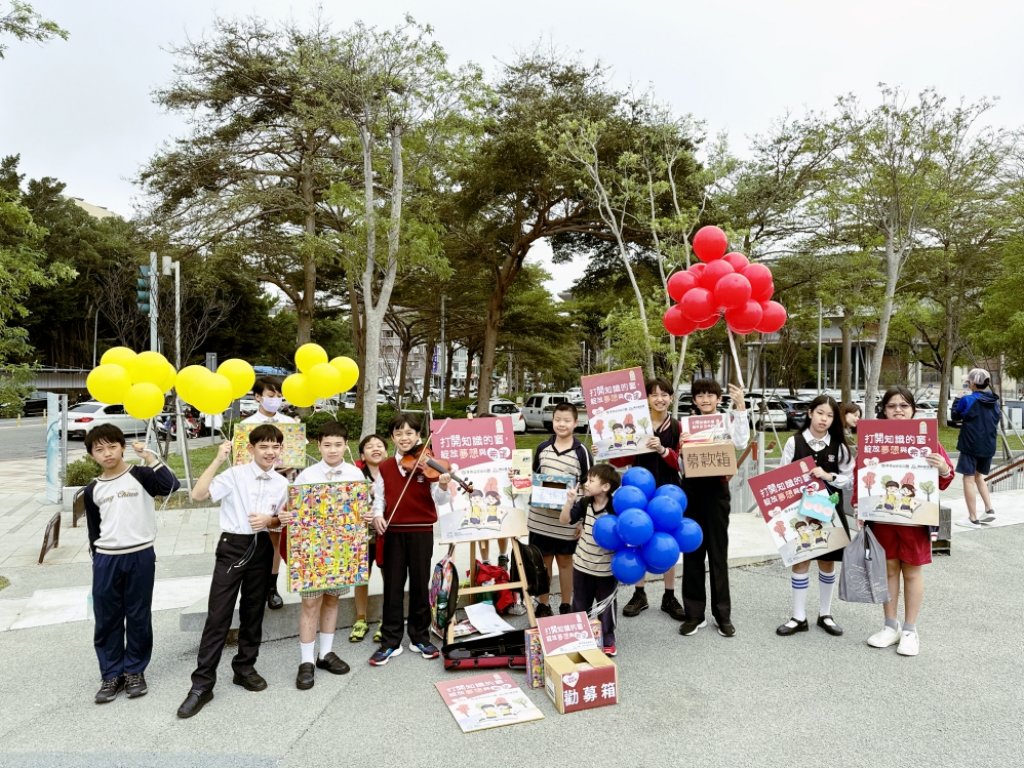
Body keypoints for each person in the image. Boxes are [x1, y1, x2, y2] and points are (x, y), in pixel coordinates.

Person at [177, 425, 288, 718]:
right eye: (263, 446)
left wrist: (271, 519)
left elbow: (282, 520)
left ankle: (245, 668)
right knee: (219, 614)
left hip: (262, 546)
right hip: (233, 546)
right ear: (250, 449)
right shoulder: (234, 475)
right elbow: (198, 495)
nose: (270, 452)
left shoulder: (281, 483)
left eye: (275, 447)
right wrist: (216, 459)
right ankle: (202, 684)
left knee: (254, 611)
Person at [84, 425, 180, 704]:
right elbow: (94, 531)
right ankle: (111, 674)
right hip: (106, 559)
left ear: (121, 447)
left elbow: (170, 486)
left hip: (140, 555)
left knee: (138, 615)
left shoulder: (140, 475)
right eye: (99, 449)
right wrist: (98, 560)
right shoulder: (93, 489)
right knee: (107, 618)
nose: (107, 453)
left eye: (111, 446)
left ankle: (135, 670)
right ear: (92, 455)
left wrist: (149, 457)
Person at [860, 387, 954, 657]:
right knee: (888, 570)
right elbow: (861, 473)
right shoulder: (874, 440)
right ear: (884, 410)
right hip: (883, 519)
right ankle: (891, 626)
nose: (898, 410)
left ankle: (911, 630)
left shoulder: (927, 441)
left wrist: (943, 468)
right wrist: (860, 506)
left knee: (912, 571)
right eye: (891, 406)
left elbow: (946, 480)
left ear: (913, 409)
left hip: (915, 520)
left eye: (903, 405)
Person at [279, 421, 361, 689]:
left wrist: (367, 516)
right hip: (312, 552)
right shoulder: (307, 476)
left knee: (333, 601)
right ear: (319, 445)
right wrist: (287, 514)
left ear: (345, 445)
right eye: (327, 445)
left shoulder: (355, 475)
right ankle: (306, 661)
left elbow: (361, 510)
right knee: (310, 605)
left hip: (341, 552)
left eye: (338, 445)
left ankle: (325, 653)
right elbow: (289, 506)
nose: (333, 450)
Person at [369, 413, 451, 666]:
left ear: (419, 436)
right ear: (392, 437)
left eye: (409, 433)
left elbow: (441, 500)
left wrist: (445, 485)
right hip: (393, 531)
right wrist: (377, 516)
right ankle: (390, 641)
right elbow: (380, 497)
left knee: (419, 584)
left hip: (421, 531)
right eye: (399, 433)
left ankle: (419, 637)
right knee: (392, 586)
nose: (404, 438)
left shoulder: (429, 464)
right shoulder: (384, 466)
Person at [775, 396, 853, 638]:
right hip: (799, 512)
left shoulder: (839, 446)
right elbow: (781, 477)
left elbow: (847, 479)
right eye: (820, 413)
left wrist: (828, 476)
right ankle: (798, 616)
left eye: (829, 416)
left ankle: (825, 614)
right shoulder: (794, 442)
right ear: (810, 413)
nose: (824, 419)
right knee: (801, 560)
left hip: (829, 511)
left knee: (827, 563)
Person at [678, 379, 748, 638]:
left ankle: (723, 614)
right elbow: (679, 465)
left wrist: (740, 407)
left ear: (718, 398)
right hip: (692, 492)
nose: (705, 399)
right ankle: (694, 614)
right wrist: (682, 446)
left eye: (710, 395)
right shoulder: (685, 426)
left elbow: (741, 441)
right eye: (700, 395)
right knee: (693, 551)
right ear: (694, 400)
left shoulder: (727, 422)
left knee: (718, 553)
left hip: (717, 491)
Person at [615, 378, 685, 621]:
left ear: (671, 398)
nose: (660, 399)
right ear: (646, 399)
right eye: (654, 394)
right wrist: (605, 450)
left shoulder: (677, 427)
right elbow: (621, 460)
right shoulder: (636, 424)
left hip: (668, 492)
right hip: (638, 491)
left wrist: (663, 450)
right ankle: (639, 593)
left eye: (665, 394)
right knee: (636, 538)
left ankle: (669, 595)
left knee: (668, 542)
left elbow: (682, 463)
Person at [528, 401, 592, 617]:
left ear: (576, 423)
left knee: (565, 562)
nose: (561, 424)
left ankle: (567, 604)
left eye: (566, 420)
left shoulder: (582, 452)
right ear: (552, 421)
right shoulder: (542, 448)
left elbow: (588, 488)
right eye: (557, 420)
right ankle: (543, 604)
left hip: (567, 521)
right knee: (542, 562)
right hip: (540, 519)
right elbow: (533, 478)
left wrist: (582, 521)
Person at [242, 376, 299, 612]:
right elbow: (241, 460)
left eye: (278, 396)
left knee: (276, 537)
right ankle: (252, 585)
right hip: (254, 488)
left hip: (282, 485)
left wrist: (290, 462)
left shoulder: (289, 423)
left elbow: (296, 456)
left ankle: (272, 587)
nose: (275, 400)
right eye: (270, 395)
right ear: (257, 397)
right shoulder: (247, 426)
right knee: (252, 536)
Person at [559, 463, 621, 656]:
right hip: (582, 565)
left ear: (605, 487)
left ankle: (608, 637)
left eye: (591, 480)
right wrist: (569, 502)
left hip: (606, 569)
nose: (586, 483)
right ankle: (581, 636)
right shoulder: (585, 503)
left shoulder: (615, 508)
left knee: (606, 606)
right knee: (579, 603)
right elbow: (564, 520)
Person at [349, 433, 389, 644]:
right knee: (361, 577)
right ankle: (361, 619)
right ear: (362, 454)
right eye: (370, 446)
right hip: (361, 535)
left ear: (386, 450)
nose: (375, 449)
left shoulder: (392, 471)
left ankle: (386, 619)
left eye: (379, 445)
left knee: (388, 578)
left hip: (385, 534)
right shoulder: (353, 474)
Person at [953, 368, 1001, 527]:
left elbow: (955, 416)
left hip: (971, 445)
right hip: (988, 446)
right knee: (979, 477)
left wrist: (957, 399)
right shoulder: (995, 401)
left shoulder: (968, 400)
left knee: (968, 478)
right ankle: (989, 509)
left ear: (972, 382)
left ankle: (973, 518)